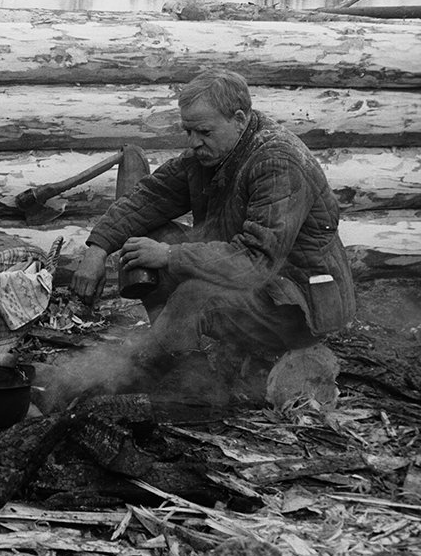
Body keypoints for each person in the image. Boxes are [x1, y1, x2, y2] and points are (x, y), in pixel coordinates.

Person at [71, 69, 355, 399]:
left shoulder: (278, 163)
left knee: (194, 295)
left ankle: (142, 382)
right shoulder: (210, 153)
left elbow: (255, 261)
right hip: (254, 285)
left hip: (298, 303)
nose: (193, 142)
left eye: (203, 131)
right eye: (187, 131)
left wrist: (170, 255)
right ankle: (188, 361)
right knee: (142, 242)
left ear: (239, 118)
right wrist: (98, 247)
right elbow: (149, 198)